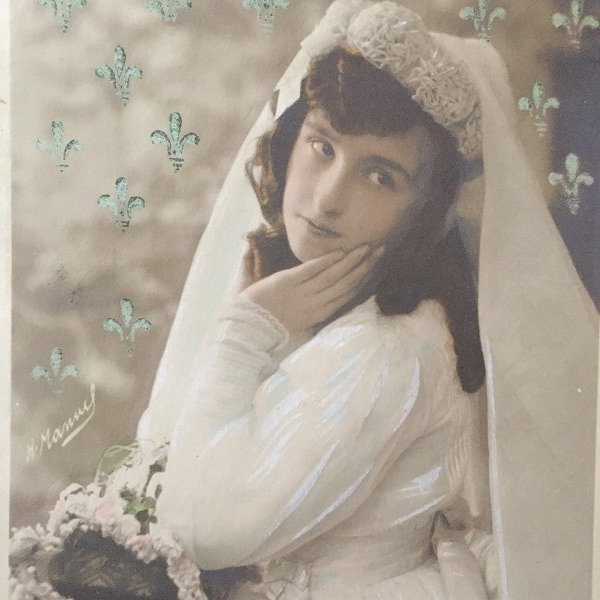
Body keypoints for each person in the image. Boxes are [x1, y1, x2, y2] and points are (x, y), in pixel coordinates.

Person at [136, 2, 598, 599]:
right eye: (323, 147)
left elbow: (202, 531)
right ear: (289, 141)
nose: (329, 198)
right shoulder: (333, 303)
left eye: (380, 177)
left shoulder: (389, 349)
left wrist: (247, 328)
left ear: (425, 213)